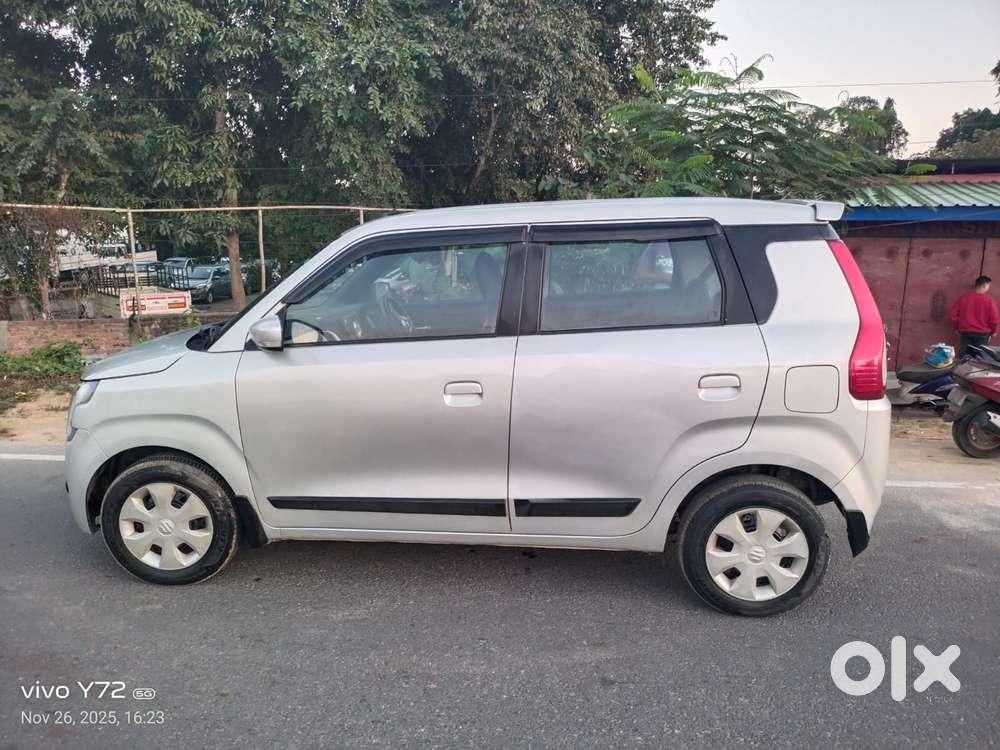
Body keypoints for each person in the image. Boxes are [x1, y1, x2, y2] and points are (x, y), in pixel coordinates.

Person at [949, 275, 999, 355]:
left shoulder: (964, 298)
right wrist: (994, 331)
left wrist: (956, 328)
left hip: (965, 333)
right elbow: (994, 320)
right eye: (988, 286)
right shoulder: (990, 300)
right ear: (984, 285)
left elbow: (952, 316)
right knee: (980, 358)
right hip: (982, 334)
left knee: (964, 357)